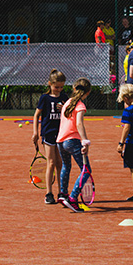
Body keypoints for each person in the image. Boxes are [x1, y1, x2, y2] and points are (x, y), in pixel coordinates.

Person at [32, 69, 69, 205]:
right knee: (51, 163)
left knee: (61, 163)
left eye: (61, 87)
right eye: (56, 87)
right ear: (50, 84)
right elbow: (36, 115)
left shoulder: (64, 97)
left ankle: (62, 192)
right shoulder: (45, 98)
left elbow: (69, 114)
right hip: (48, 133)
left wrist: (65, 107)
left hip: (62, 133)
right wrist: (35, 132)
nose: (59, 89)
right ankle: (49, 193)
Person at [58, 78, 93, 212]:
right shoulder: (80, 105)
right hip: (72, 141)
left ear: (74, 88)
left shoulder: (67, 103)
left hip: (60, 141)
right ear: (88, 92)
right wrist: (85, 141)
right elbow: (79, 124)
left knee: (66, 166)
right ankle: (72, 198)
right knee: (86, 170)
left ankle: (63, 194)